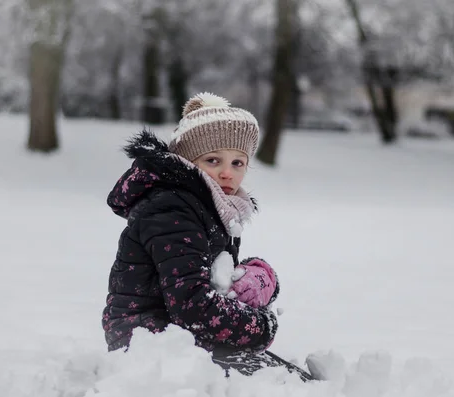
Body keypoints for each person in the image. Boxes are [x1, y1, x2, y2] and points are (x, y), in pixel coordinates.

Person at [102, 92, 312, 380]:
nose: (228, 173)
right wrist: (262, 327)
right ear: (188, 162)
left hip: (181, 337)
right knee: (286, 386)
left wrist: (255, 277)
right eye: (214, 160)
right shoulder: (171, 208)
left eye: (238, 163)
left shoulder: (211, 206)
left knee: (293, 380)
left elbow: (207, 281)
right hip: (149, 346)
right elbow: (192, 306)